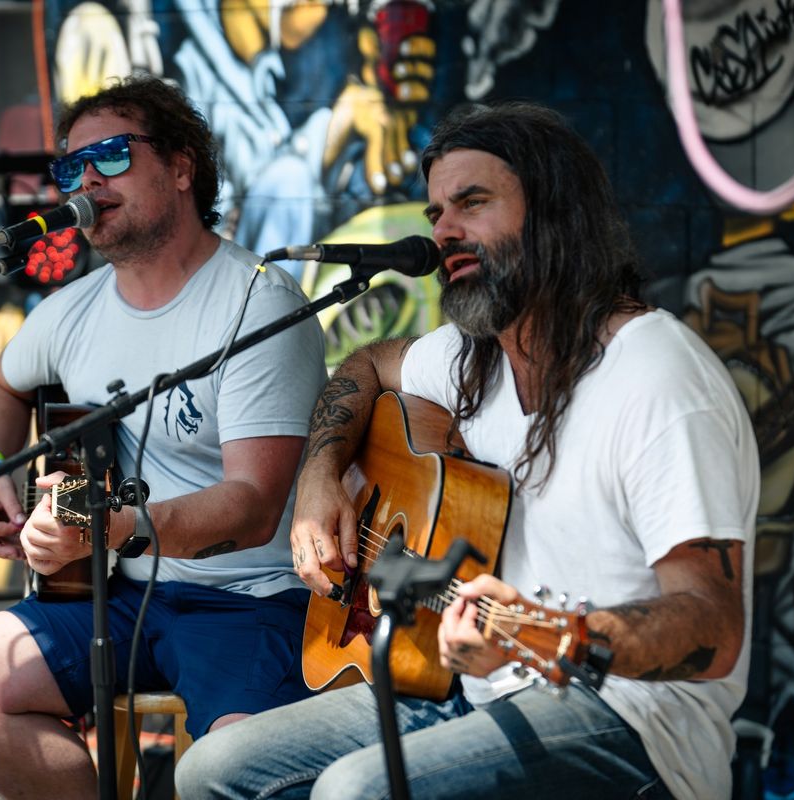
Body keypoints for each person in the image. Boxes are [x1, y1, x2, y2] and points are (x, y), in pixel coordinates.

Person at [175, 101, 760, 799]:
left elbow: (711, 626)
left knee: (355, 792)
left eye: (472, 203)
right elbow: (366, 364)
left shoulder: (657, 376)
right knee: (213, 769)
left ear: (554, 213)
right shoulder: (473, 356)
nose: (445, 231)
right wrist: (319, 478)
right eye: (436, 215)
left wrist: (557, 637)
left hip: (633, 720)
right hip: (473, 685)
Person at [0, 75, 327, 800]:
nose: (85, 180)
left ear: (180, 168)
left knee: (242, 769)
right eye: (70, 167)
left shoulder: (257, 302)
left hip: (248, 599)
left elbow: (254, 504)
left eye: (110, 156)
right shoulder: (69, 310)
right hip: (111, 596)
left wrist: (117, 530)